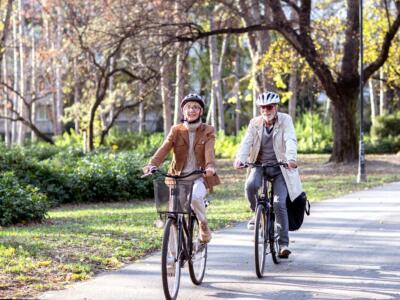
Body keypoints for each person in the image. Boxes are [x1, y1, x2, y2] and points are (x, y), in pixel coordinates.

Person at [233, 91, 303, 258]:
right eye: (263, 107)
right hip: (259, 166)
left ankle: (283, 244)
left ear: (276, 107)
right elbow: (246, 142)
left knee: (279, 203)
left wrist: (291, 159)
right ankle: (256, 213)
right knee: (251, 186)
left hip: (281, 169)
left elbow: (290, 139)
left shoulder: (285, 120)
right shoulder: (254, 123)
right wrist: (239, 159)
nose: (266, 110)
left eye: (270, 107)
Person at [143, 93, 220, 243]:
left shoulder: (208, 130)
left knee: (196, 197)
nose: (192, 110)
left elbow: (209, 152)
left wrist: (210, 167)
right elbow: (165, 147)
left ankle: (203, 223)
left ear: (201, 111)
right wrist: (152, 164)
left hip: (199, 176)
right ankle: (172, 258)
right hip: (177, 178)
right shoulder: (176, 130)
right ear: (183, 111)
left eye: (196, 107)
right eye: (188, 107)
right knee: (173, 215)